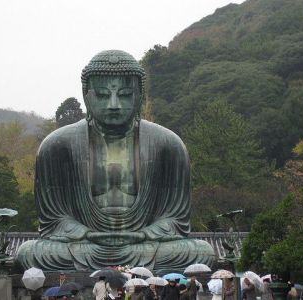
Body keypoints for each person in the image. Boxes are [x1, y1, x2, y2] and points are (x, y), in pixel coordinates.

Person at [16, 50, 215, 271]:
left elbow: (175, 219)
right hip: (85, 245)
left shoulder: (168, 144)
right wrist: (87, 234)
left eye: (124, 94)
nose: (113, 104)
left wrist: (144, 234)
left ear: (139, 96)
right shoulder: (57, 146)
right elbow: (54, 220)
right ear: (86, 95)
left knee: (201, 251)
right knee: (29, 252)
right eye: (102, 95)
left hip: (145, 244)